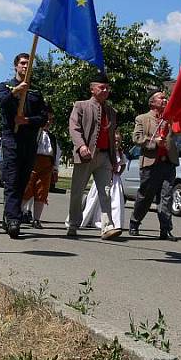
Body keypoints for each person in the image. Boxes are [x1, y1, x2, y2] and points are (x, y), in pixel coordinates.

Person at [66, 72, 122, 240]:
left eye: (107, 88)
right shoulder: (81, 106)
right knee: (77, 191)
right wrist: (81, 145)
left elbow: (112, 136)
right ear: (92, 89)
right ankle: (73, 224)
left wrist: (114, 159)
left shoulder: (111, 111)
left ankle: (107, 226)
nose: (105, 90)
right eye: (101, 87)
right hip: (86, 155)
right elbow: (74, 127)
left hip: (105, 157)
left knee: (105, 192)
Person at [0, 53, 46, 238]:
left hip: (29, 141)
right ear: (16, 66)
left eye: (29, 64)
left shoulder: (35, 92)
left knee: (23, 181)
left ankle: (8, 215)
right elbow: (1, 103)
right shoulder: (6, 87)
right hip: (12, 139)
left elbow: (42, 118)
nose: (26, 67)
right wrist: (16, 91)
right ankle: (14, 219)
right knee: (12, 179)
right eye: (23, 63)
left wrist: (26, 120)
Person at [130, 90, 179, 241]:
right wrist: (153, 142)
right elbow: (136, 138)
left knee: (167, 196)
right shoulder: (143, 118)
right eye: (161, 98)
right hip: (151, 163)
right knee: (145, 196)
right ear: (152, 102)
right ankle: (135, 222)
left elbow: (177, 135)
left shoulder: (170, 119)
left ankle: (165, 229)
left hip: (168, 162)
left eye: (166, 98)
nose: (165, 100)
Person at [22, 106, 60, 229]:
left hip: (47, 166)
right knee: (27, 189)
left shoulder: (52, 137)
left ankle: (36, 219)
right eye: (46, 119)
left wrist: (55, 169)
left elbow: (56, 153)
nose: (48, 122)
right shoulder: (34, 133)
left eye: (51, 120)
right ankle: (17, 214)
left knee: (41, 192)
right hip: (33, 162)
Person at [81, 130, 126, 231]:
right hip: (103, 177)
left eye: (118, 141)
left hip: (114, 179)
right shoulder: (107, 152)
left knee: (115, 200)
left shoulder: (120, 153)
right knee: (96, 199)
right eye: (114, 141)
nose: (116, 143)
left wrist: (119, 172)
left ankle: (114, 222)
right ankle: (93, 219)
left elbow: (123, 164)